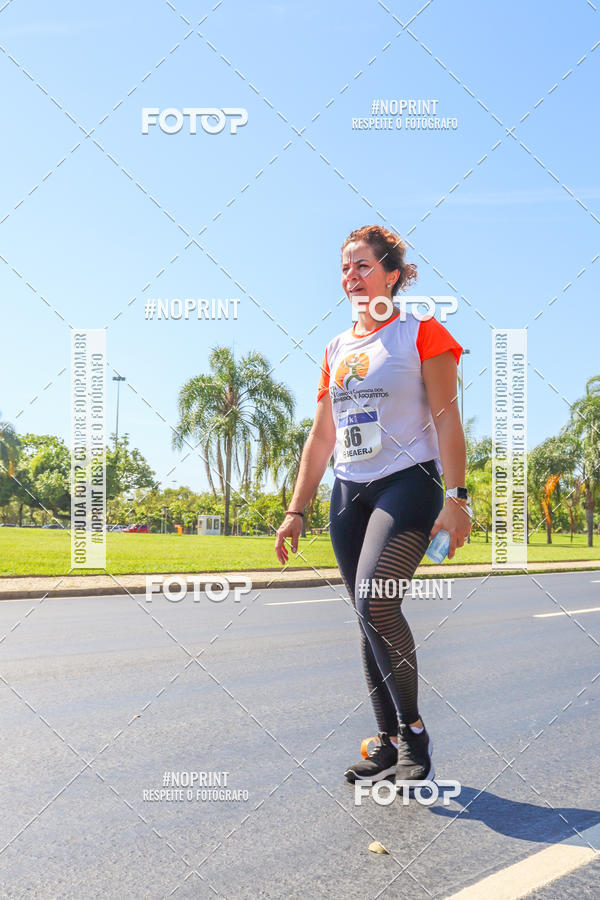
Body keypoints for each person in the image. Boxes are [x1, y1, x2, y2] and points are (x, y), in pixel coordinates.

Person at [274, 225, 471, 787]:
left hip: (407, 483)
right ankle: (385, 742)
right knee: (365, 615)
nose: (351, 277)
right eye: (345, 268)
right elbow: (321, 436)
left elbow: (447, 419)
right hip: (348, 491)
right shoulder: (336, 348)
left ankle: (414, 734)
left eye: (362, 266)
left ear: (392, 274)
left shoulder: (423, 334)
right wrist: (296, 509)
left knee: (377, 601)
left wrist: (457, 498)